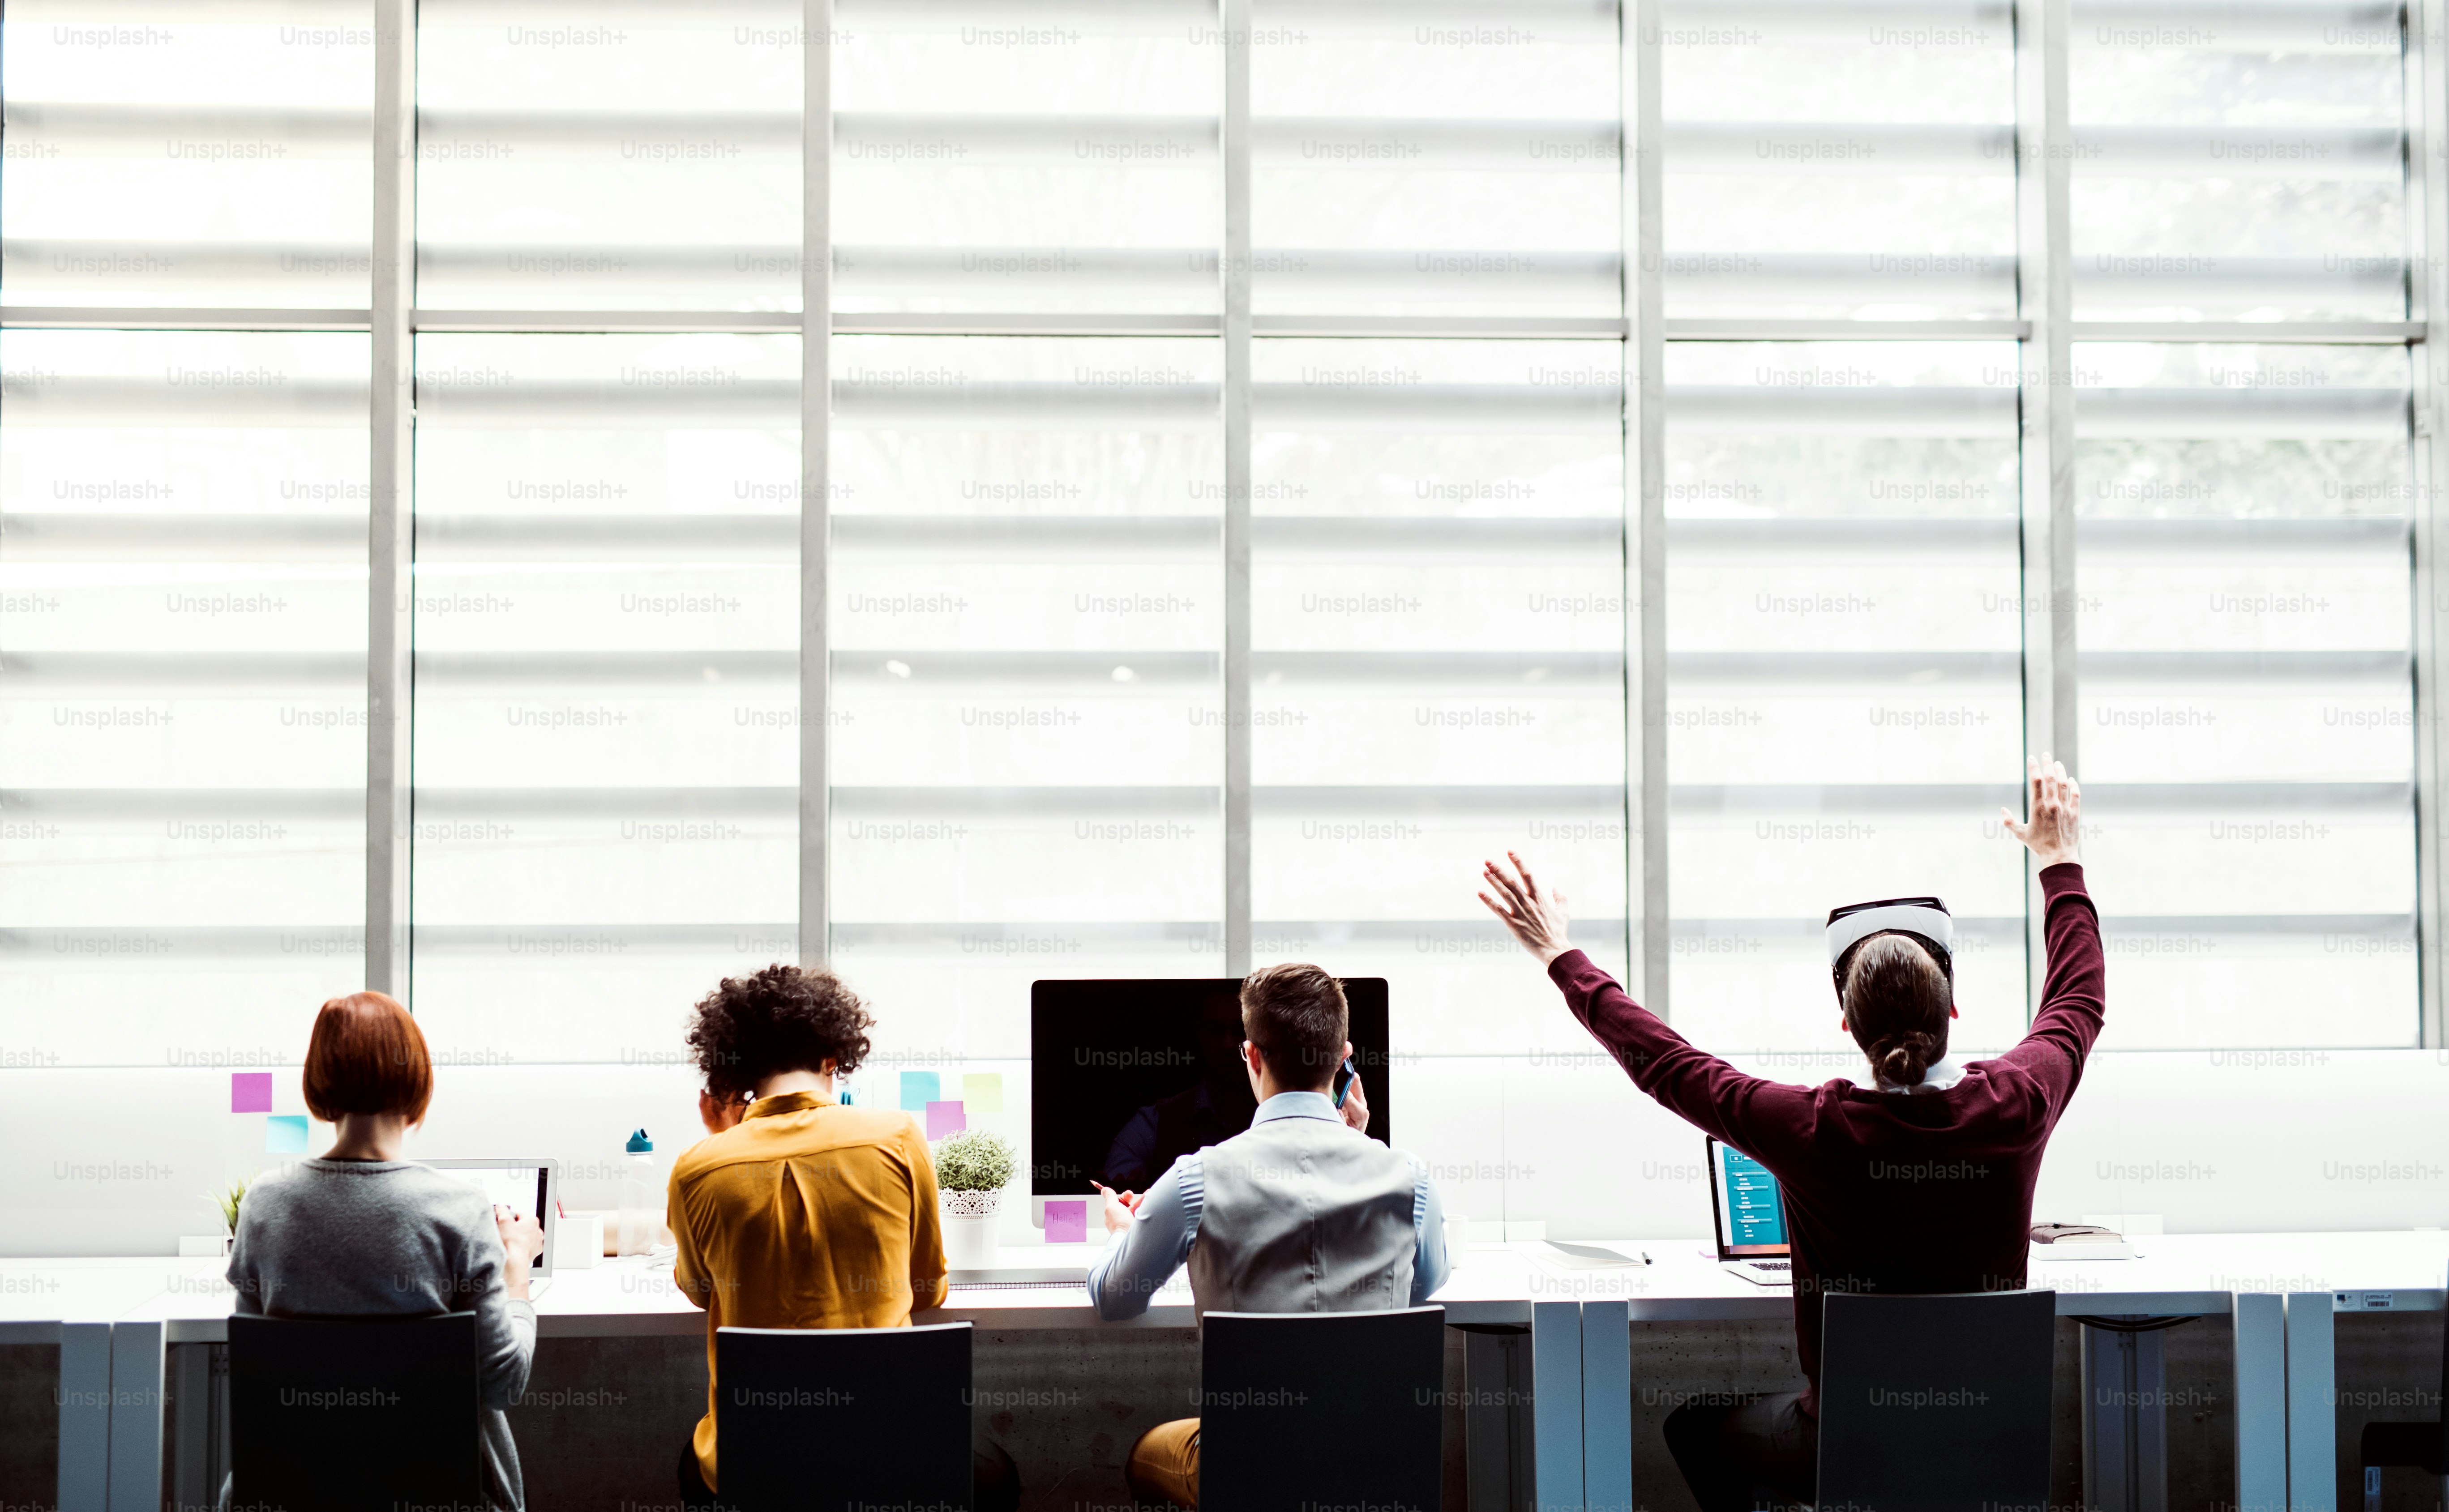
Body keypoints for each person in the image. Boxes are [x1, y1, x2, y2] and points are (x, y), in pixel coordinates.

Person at [1477, 755, 2102, 1512]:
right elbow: (2078, 999)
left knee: (1694, 1426)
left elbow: (1668, 1065)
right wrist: (2060, 861)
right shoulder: (2019, 1101)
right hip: (1990, 1446)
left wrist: (1559, 953)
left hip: (1839, 1444)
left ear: (1849, 1024)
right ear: (1953, 1013)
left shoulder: (1813, 1128)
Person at [1087, 962, 1452, 1510]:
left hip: (1246, 1469)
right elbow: (1421, 1289)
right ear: (1343, 1058)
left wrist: (1120, 1232)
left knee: (1145, 1451)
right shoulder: (1409, 1178)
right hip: (1373, 1463)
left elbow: (1115, 1300)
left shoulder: (1196, 1178)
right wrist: (1360, 1143)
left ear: (1251, 1057)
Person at [667, 963, 1017, 1512]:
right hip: (892, 1454)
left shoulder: (697, 1167)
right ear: (833, 1058)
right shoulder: (898, 1137)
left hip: (752, 1465)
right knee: (993, 1473)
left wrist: (725, 1140)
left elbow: (699, 1289)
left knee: (696, 1464)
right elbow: (926, 1290)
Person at [225, 991, 544, 1511]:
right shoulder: (459, 1210)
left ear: (318, 1084)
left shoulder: (265, 1205)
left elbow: (257, 1373)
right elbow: (503, 1385)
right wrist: (516, 1271)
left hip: (295, 1495)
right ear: (417, 1083)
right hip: (442, 1496)